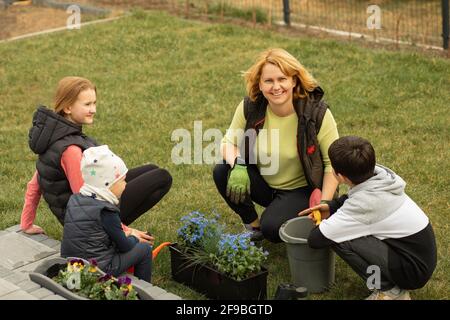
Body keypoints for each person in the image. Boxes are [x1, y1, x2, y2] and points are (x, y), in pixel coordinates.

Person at [21, 76, 172, 243]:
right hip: (88, 222)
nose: (93, 109)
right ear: (68, 107)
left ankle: (113, 230)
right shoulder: (70, 150)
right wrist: (125, 231)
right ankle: (111, 234)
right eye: (87, 104)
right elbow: (86, 201)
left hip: (83, 213)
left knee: (151, 170)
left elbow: (35, 185)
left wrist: (26, 223)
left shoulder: (54, 137)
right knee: (161, 177)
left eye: (94, 103)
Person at [213, 48, 339, 242]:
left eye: (282, 79)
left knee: (272, 229)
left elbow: (332, 165)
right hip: (267, 186)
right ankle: (253, 228)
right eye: (269, 81)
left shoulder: (316, 113)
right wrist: (238, 164)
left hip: (304, 190)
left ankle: (275, 222)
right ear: (260, 85)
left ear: (294, 81)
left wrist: (324, 204)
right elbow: (227, 143)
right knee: (223, 170)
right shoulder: (251, 107)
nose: (276, 87)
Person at [299, 136, 437, 300]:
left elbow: (317, 239)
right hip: (418, 256)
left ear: (340, 177)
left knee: (338, 238)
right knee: (343, 230)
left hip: (412, 270)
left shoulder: (365, 204)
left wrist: (328, 223)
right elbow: (356, 197)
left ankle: (390, 291)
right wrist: (332, 207)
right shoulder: (379, 177)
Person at [61, 145, 152, 282]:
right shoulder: (106, 211)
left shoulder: (75, 200)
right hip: (97, 269)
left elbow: (92, 235)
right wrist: (134, 237)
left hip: (71, 264)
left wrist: (124, 234)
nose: (125, 184)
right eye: (122, 180)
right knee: (144, 249)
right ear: (108, 184)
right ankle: (144, 289)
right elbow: (125, 246)